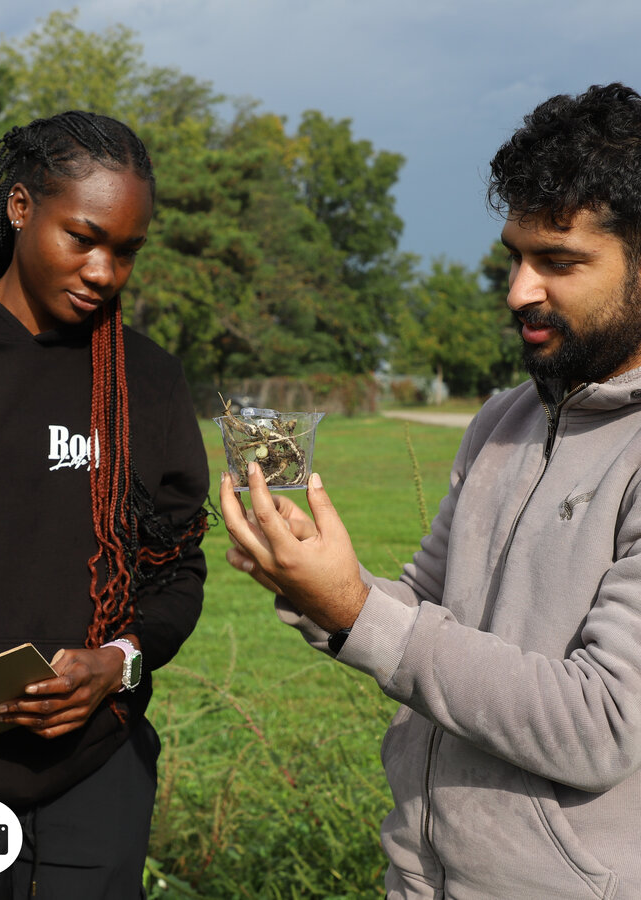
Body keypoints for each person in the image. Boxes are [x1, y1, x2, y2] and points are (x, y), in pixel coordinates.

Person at [221, 82, 641, 899]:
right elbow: (418, 604)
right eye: (515, 257)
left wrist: (351, 607)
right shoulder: (503, 421)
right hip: (418, 880)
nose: (519, 290)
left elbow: (601, 724)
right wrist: (308, 578)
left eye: (558, 262)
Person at [0, 111, 209, 898]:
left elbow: (178, 572)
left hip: (93, 771)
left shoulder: (143, 383)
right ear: (20, 207)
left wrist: (116, 666)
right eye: (83, 237)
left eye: (126, 251)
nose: (104, 271)